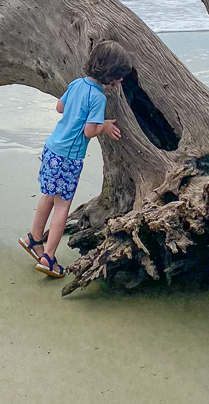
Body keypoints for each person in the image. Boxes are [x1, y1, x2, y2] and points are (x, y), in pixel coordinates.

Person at [18, 39, 133, 278]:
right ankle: (48, 257)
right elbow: (89, 131)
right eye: (120, 76)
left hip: (52, 148)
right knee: (62, 206)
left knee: (48, 196)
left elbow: (60, 107)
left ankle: (33, 238)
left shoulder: (76, 84)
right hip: (69, 158)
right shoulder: (98, 98)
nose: (121, 81)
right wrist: (104, 126)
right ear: (111, 75)